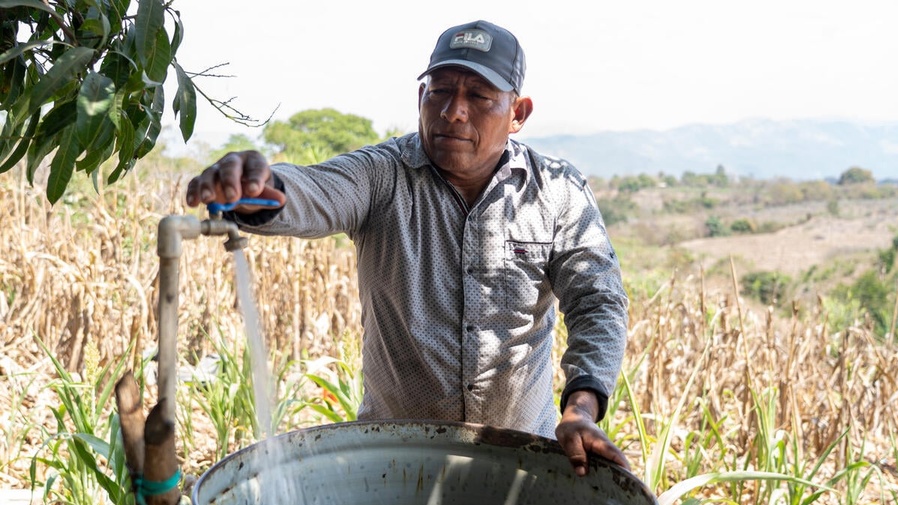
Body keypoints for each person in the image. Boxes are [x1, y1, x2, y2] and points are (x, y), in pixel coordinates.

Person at [186, 20, 631, 476]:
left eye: (478, 97)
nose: (453, 111)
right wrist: (262, 189)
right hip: (394, 463)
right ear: (421, 97)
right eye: (439, 91)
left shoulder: (555, 193)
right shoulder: (382, 175)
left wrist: (580, 407)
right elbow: (315, 190)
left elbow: (597, 301)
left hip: (519, 462)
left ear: (518, 113)